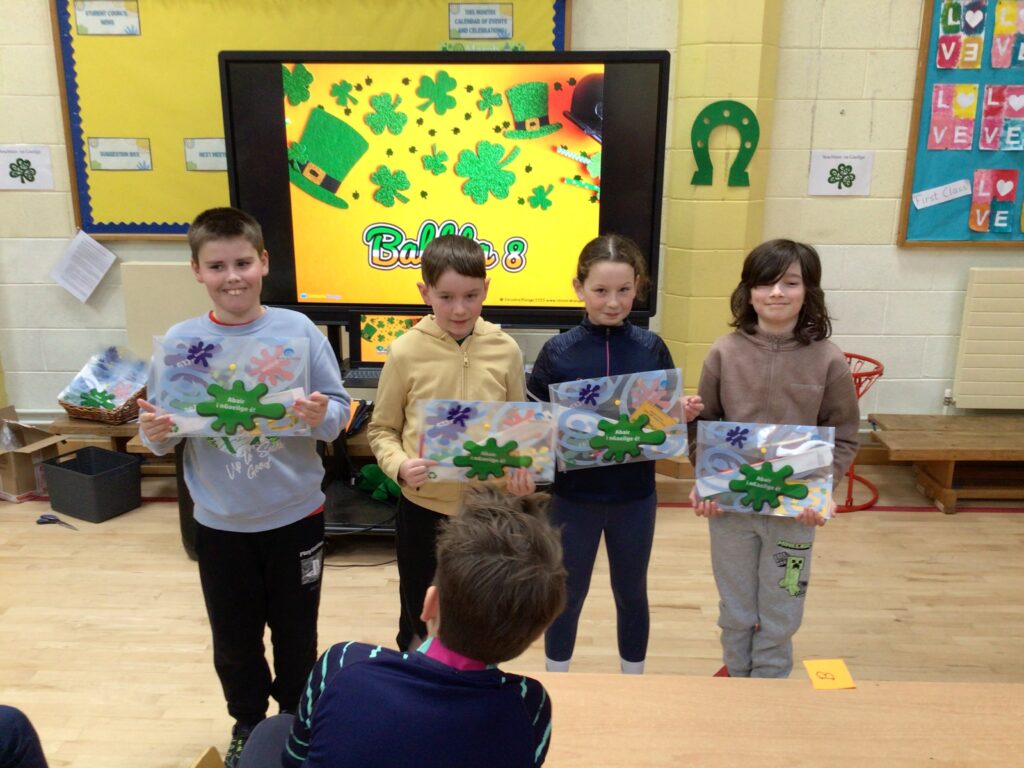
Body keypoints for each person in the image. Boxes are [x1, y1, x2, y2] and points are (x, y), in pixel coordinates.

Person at [137, 207, 349, 766]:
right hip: (220, 522)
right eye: (217, 266)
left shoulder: (298, 332)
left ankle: (295, 720)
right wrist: (153, 433)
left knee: (297, 633)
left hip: (296, 516)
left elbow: (338, 415)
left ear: (264, 262)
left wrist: (320, 415)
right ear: (196, 271)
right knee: (233, 638)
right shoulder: (181, 343)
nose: (232, 276)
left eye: (243, 263)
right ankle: (248, 721)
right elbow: (161, 431)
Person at [236, 487, 567, 768]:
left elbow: (295, 759)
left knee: (272, 731)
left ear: (429, 603)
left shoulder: (344, 662)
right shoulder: (531, 705)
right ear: (534, 633)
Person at [527, 234, 704, 675]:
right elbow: (535, 426)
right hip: (573, 499)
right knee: (565, 593)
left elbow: (659, 418)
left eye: (624, 290)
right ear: (579, 288)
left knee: (631, 592)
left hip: (634, 498)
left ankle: (634, 680)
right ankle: (558, 680)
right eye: (601, 290)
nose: (612, 302)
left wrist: (677, 414)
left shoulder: (651, 347)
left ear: (638, 286)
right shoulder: (557, 352)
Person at [689, 238, 859, 678]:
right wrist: (706, 483)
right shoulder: (723, 352)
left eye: (790, 283)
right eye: (765, 283)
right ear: (749, 293)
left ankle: (770, 681)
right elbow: (703, 425)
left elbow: (844, 435)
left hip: (795, 516)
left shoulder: (829, 360)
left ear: (809, 292)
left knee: (784, 603)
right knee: (735, 606)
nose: (777, 293)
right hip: (732, 512)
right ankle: (736, 673)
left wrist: (823, 489)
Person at [367, 234, 533, 652]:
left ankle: (472, 681)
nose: (459, 309)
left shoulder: (506, 350)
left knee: (482, 612)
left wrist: (523, 468)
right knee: (419, 612)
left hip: (487, 512)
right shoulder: (404, 351)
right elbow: (381, 429)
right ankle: (415, 675)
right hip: (424, 510)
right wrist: (400, 466)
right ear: (425, 292)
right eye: (446, 297)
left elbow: (519, 430)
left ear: (486, 289)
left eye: (471, 296)